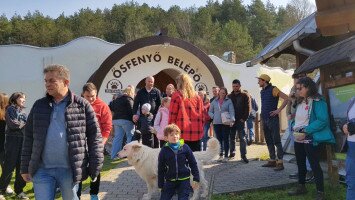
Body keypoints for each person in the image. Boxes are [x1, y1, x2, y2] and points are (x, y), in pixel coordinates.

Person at [20, 64, 104, 200]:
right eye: (46, 81)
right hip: (42, 170)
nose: (47, 84)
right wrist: (24, 166)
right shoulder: (38, 105)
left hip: (69, 170)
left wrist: (95, 166)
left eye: (52, 80)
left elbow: (95, 137)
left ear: (66, 82)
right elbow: (28, 137)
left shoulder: (82, 105)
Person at [287, 77, 335, 200]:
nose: (297, 91)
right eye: (297, 88)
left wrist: (305, 130)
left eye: (300, 88)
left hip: (311, 137)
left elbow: (322, 120)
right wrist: (294, 127)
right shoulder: (300, 101)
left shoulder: (318, 101)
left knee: (314, 164)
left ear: (308, 87)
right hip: (299, 136)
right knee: (301, 163)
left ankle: (320, 192)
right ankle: (301, 186)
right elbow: (297, 119)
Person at [77, 82, 112, 200]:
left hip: (96, 142)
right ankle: (77, 195)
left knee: (95, 168)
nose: (91, 99)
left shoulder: (103, 106)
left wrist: (101, 143)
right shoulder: (77, 105)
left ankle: (94, 194)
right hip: (80, 143)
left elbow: (107, 127)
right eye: (88, 96)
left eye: (93, 96)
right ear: (83, 94)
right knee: (79, 168)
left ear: (96, 93)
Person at [158, 124, 200, 200]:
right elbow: (161, 168)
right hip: (170, 181)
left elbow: (193, 163)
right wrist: (160, 184)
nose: (175, 136)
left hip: (184, 180)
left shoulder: (185, 147)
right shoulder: (164, 150)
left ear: (179, 135)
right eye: (171, 135)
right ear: (166, 138)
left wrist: (196, 178)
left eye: (176, 134)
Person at [257, 74, 288, 171]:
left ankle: (280, 162)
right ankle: (272, 160)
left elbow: (286, 98)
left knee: (277, 141)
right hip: (265, 119)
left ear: (264, 81)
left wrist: (278, 110)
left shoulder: (274, 89)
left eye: (259, 80)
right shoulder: (262, 91)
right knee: (268, 140)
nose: (258, 82)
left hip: (272, 119)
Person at [0, 92, 28, 200]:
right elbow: (12, 124)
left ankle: (19, 191)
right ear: (16, 98)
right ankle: (1, 189)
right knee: (9, 167)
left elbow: (26, 124)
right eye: (22, 98)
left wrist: (23, 123)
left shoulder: (23, 111)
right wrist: (24, 123)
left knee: (21, 167)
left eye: (24, 99)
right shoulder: (10, 109)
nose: (24, 101)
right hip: (12, 141)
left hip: (23, 141)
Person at [169, 74, 204, 152]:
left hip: (181, 134)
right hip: (196, 134)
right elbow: (202, 116)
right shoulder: (198, 97)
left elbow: (172, 116)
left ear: (179, 83)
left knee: (181, 159)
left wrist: (169, 131)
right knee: (195, 160)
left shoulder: (176, 95)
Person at [133, 76, 161, 148]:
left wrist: (158, 114)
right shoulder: (140, 92)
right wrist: (134, 114)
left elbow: (159, 104)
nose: (150, 83)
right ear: (145, 82)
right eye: (149, 81)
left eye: (152, 82)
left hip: (154, 116)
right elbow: (135, 104)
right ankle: (143, 149)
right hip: (143, 117)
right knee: (143, 133)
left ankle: (156, 150)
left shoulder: (156, 91)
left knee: (155, 133)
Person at [209, 87, 235, 162]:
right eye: (221, 92)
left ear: (226, 94)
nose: (222, 94)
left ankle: (226, 156)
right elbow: (210, 111)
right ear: (219, 92)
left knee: (226, 139)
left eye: (223, 93)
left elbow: (232, 111)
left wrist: (232, 120)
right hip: (216, 123)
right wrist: (213, 116)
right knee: (219, 140)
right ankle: (221, 155)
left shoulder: (229, 101)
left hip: (225, 123)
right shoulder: (214, 101)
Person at [110, 86, 135, 159]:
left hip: (116, 120)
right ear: (131, 92)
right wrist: (134, 121)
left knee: (117, 138)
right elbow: (131, 110)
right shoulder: (129, 99)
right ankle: (129, 156)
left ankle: (114, 156)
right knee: (130, 137)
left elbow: (110, 107)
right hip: (126, 120)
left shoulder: (116, 100)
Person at [229, 80, 250, 163]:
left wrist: (244, 119)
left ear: (240, 86)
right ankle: (232, 153)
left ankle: (243, 155)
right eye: (233, 86)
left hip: (241, 120)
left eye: (236, 86)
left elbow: (248, 108)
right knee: (231, 138)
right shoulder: (229, 96)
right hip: (232, 120)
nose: (235, 88)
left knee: (242, 138)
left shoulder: (245, 95)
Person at [342, 96, 355, 200]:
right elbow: (348, 119)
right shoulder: (352, 99)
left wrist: (352, 126)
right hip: (351, 147)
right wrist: (344, 125)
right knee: (351, 181)